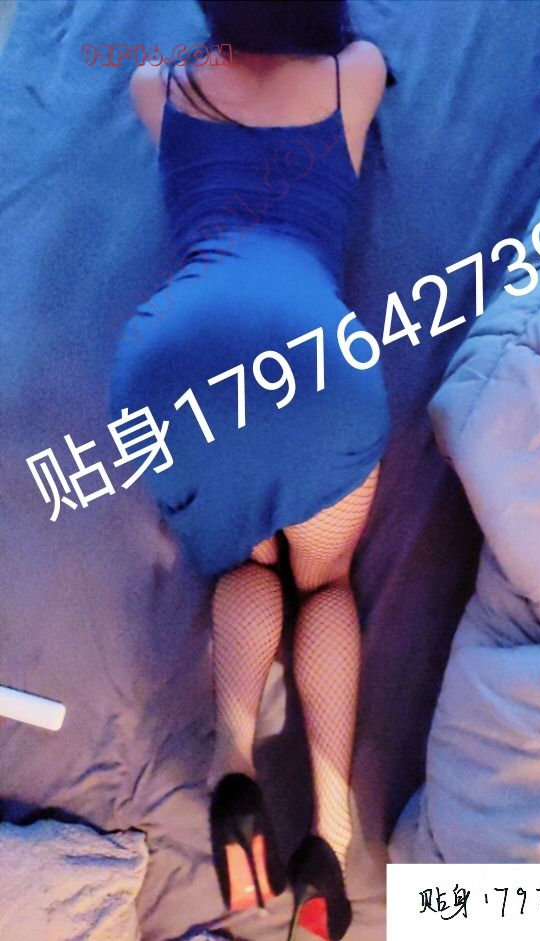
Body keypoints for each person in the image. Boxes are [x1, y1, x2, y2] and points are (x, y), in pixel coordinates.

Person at [108, 2, 390, 938]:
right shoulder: (355, 72)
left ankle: (234, 761)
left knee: (246, 561)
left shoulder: (159, 86)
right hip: (312, 356)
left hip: (176, 366)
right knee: (326, 578)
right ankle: (329, 837)